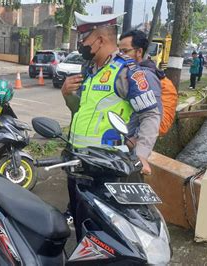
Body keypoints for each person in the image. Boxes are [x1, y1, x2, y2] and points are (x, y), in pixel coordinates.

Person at [61, 12, 161, 239]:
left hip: (107, 168)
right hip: (79, 163)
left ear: (100, 40)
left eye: (83, 39)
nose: (80, 45)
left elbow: (151, 114)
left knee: (104, 234)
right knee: (81, 227)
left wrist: (142, 154)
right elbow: (80, 112)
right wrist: (66, 94)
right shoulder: (90, 71)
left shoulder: (128, 72)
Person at [118, 30, 163, 145]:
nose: (120, 55)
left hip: (129, 147)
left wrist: (135, 139)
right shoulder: (127, 72)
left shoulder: (146, 76)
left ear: (139, 52)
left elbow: (155, 114)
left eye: (125, 51)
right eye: (119, 51)